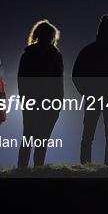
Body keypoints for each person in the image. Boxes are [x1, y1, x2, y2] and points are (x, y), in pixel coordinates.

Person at [72, 15, 108, 165]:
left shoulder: (88, 51)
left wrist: (85, 93)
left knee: (88, 135)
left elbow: (76, 75)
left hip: (93, 97)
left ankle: (85, 165)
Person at [17, 19, 64, 168]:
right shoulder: (56, 56)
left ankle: (21, 171)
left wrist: (24, 100)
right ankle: (38, 171)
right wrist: (58, 103)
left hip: (30, 102)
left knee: (28, 137)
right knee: (42, 139)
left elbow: (21, 81)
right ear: (51, 37)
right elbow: (59, 83)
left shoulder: (27, 54)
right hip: (49, 103)